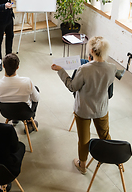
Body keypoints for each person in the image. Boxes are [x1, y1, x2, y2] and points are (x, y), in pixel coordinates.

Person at [51, 36, 117, 175]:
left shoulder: (83, 69)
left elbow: (72, 87)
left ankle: (82, 165)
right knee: (104, 135)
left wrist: (61, 70)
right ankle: (108, 156)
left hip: (83, 110)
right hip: (101, 109)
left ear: (91, 51)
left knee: (84, 140)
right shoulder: (112, 69)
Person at [0, 53, 40, 132]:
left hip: (6, 113)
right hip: (25, 113)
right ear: (17, 67)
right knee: (36, 90)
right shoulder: (27, 81)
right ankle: (29, 121)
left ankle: (14, 119)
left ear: (3, 66)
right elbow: (36, 99)